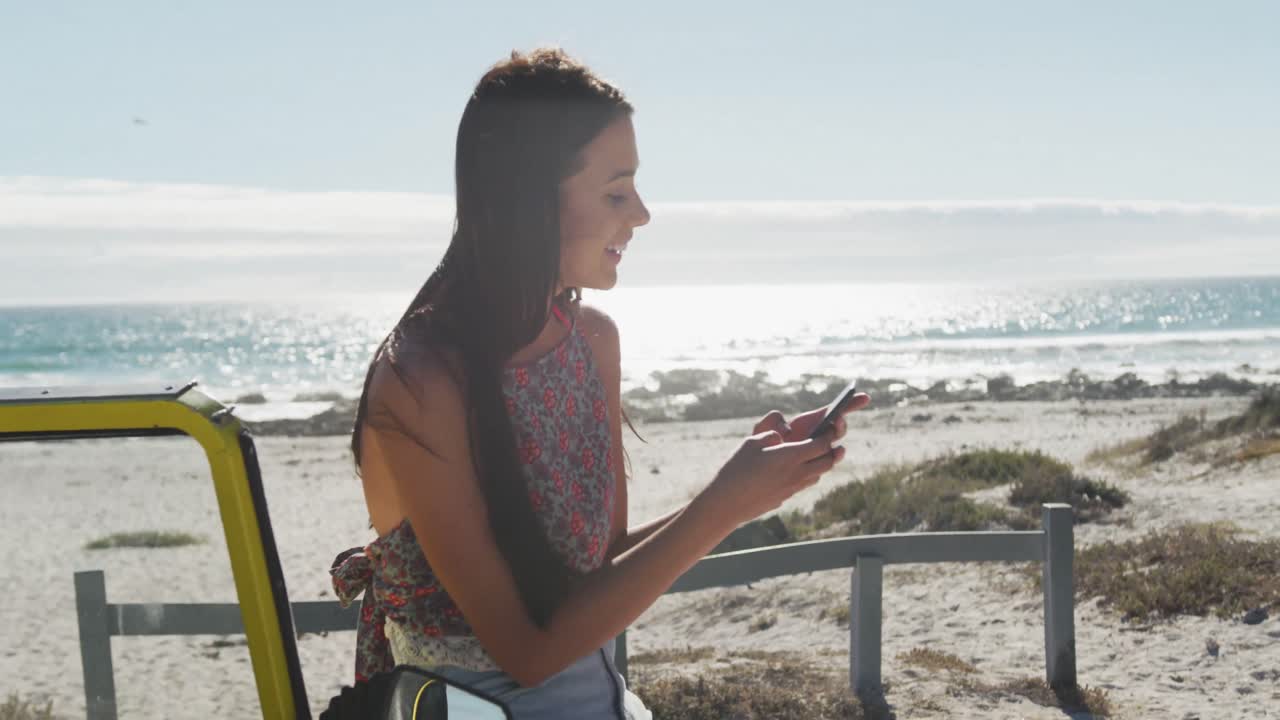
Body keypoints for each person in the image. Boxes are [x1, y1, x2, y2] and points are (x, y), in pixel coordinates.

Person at [329, 47, 870, 719]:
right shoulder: (420, 380)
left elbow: (601, 568)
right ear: (527, 200)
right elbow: (526, 650)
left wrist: (743, 490)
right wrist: (721, 509)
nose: (640, 214)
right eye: (616, 191)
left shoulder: (592, 343)